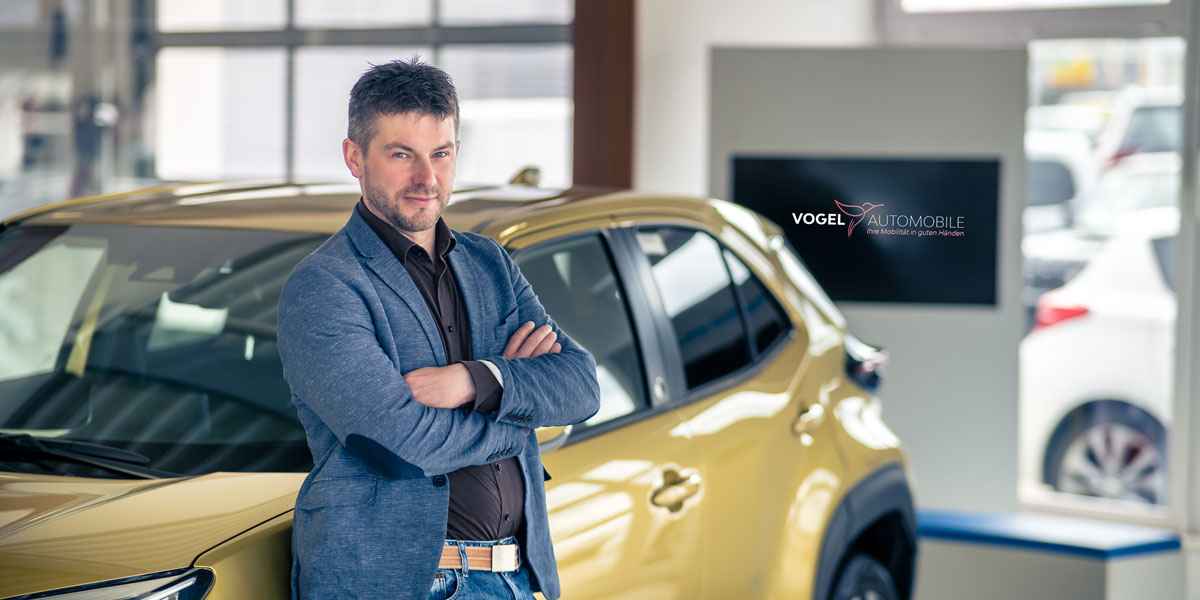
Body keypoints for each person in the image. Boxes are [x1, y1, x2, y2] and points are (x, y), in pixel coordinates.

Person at [277, 57, 601, 600]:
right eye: (402, 154)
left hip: (512, 576)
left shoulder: (488, 263)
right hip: (405, 585)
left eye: (441, 154)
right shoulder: (326, 287)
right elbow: (401, 444)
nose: (427, 179)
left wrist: (476, 380)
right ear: (354, 157)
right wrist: (521, 418)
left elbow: (581, 385)